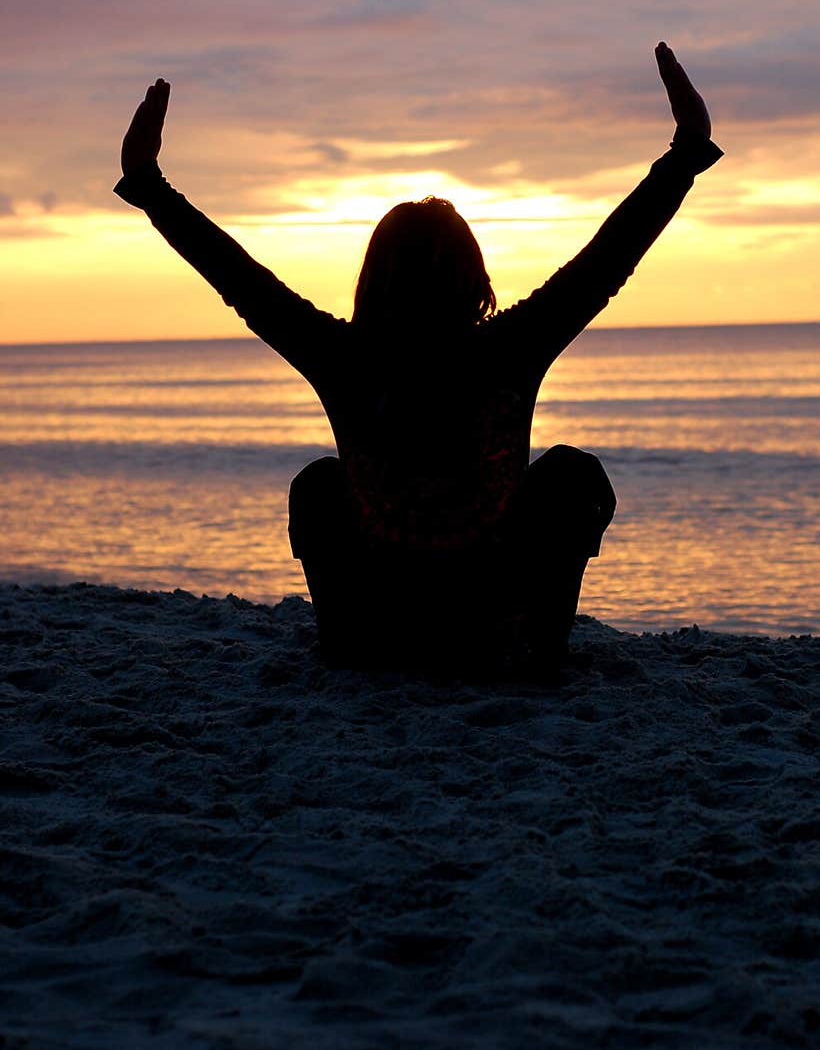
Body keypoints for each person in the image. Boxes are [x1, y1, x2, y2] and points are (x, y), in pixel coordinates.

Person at [114, 43, 722, 679]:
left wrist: (151, 187)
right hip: (497, 631)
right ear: (475, 279)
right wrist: (685, 155)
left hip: (380, 633)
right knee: (572, 477)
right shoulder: (510, 346)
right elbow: (607, 259)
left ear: (373, 279)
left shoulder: (343, 354)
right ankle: (533, 643)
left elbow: (239, 279)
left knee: (319, 485)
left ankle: (356, 641)